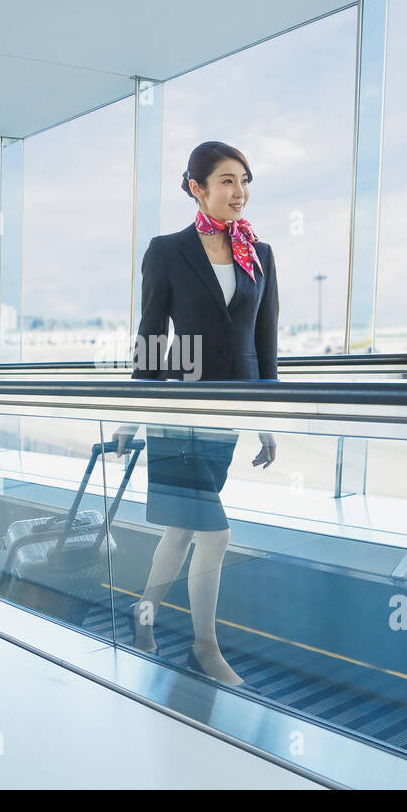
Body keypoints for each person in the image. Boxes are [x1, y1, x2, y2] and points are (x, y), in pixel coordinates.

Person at [111, 141, 278, 686]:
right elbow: (153, 337)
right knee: (216, 533)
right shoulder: (167, 251)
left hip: (227, 417)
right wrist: (131, 416)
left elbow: (265, 341)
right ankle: (205, 649)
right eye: (226, 181)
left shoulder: (260, 253)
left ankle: (143, 613)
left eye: (244, 180)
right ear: (196, 188)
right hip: (178, 414)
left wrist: (268, 417)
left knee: (183, 532)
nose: (239, 192)